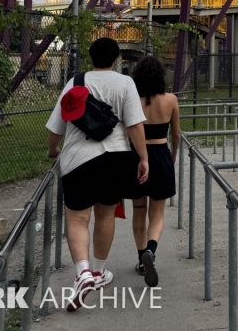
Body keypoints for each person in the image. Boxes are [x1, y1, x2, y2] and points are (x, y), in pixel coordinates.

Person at [46, 38, 149, 311]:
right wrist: (143, 158)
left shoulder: (75, 82)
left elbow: (57, 126)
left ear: (90, 58)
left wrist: (53, 150)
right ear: (116, 58)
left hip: (78, 160)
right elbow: (135, 126)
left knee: (78, 218)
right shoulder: (125, 83)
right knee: (105, 214)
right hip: (116, 158)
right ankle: (99, 272)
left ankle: (82, 273)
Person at [129, 55, 180, 288]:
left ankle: (141, 259)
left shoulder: (132, 101)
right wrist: (173, 157)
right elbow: (177, 134)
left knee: (139, 209)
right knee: (157, 212)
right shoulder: (171, 100)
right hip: (160, 155)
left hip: (136, 157)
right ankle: (151, 249)